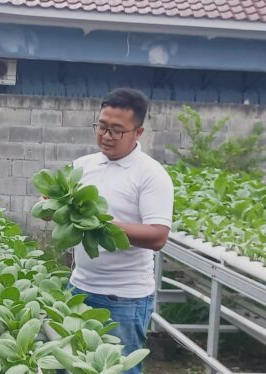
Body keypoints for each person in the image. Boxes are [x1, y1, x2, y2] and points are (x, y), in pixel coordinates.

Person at [68, 88, 174, 374]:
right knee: (72, 366)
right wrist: (53, 206)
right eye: (102, 126)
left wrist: (104, 224)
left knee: (117, 370)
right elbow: (54, 205)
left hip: (124, 299)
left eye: (117, 130)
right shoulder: (82, 166)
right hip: (79, 287)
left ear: (137, 132)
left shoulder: (151, 174)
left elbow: (158, 235)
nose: (106, 136)